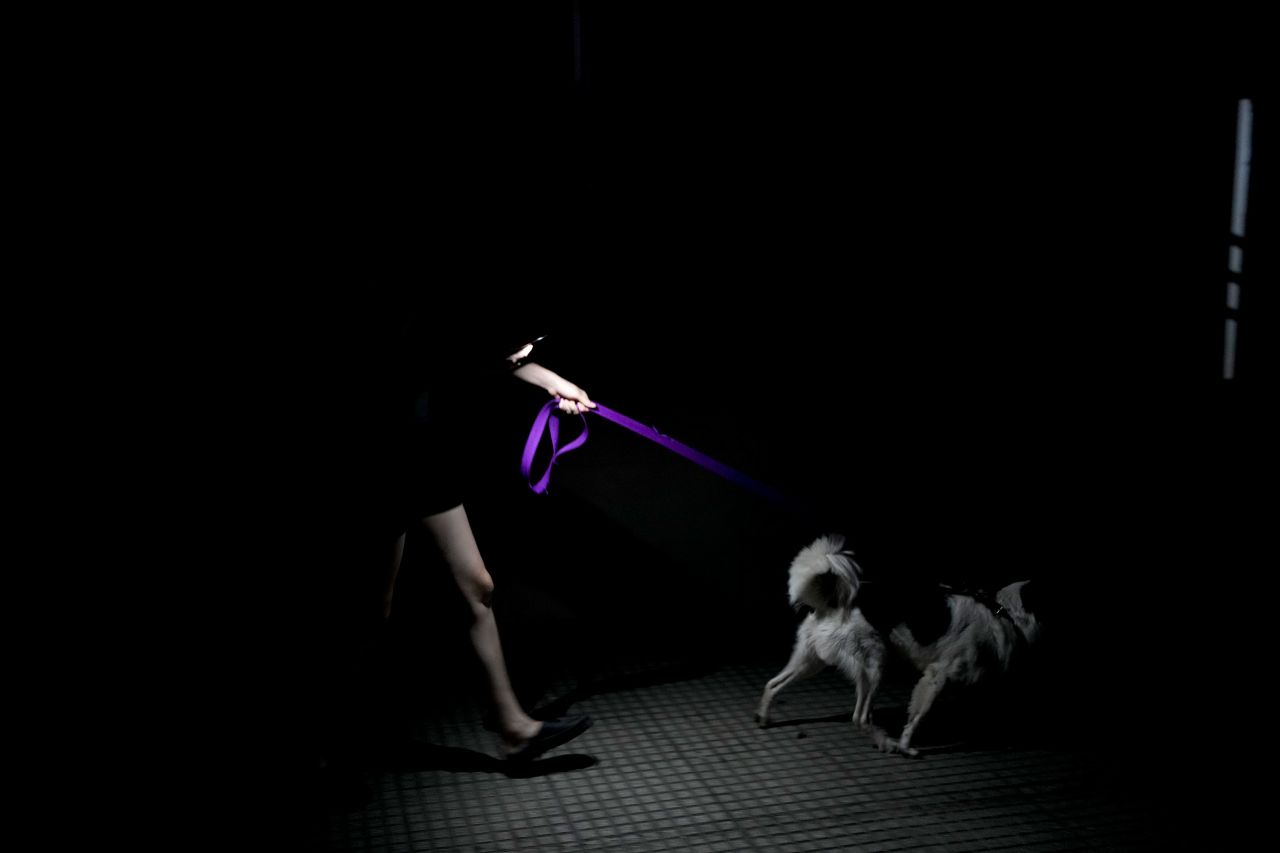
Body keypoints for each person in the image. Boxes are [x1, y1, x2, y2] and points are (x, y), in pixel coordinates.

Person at [319, 312, 596, 764]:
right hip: (377, 458)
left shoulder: (461, 333)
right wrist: (535, 372)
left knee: (478, 586)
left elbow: (492, 356)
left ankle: (514, 729)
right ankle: (326, 749)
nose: (528, 347)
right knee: (370, 611)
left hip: (418, 454)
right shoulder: (416, 326)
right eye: (524, 338)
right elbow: (470, 358)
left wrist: (552, 381)